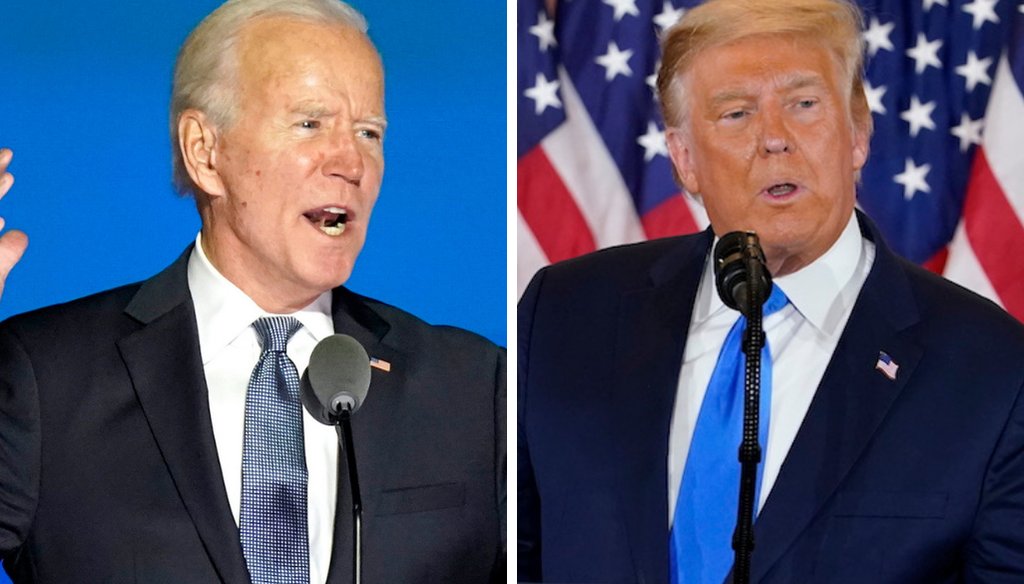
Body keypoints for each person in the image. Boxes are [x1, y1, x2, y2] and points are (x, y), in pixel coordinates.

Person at [518, 0, 1024, 582]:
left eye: (804, 105)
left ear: (858, 131)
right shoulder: (564, 316)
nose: (774, 139)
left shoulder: (993, 371)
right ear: (683, 158)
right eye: (735, 114)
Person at [0, 1, 505, 582]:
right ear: (205, 152)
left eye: (369, 132)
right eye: (309, 123)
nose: (351, 161)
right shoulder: (46, 376)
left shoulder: (476, 385)